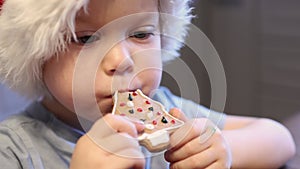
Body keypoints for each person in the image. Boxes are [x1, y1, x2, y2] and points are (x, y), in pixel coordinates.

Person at [0, 0, 296, 168]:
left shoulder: (167, 111)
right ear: (37, 55)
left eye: (141, 34)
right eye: (87, 39)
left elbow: (280, 138)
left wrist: (220, 152)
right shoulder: (13, 149)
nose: (123, 60)